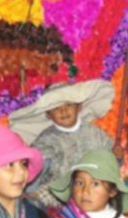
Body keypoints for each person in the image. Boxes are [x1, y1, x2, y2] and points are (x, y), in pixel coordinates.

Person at [9, 79, 115, 208]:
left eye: (69, 105)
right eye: (57, 108)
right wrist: (37, 195)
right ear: (48, 114)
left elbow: (109, 165)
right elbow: (34, 176)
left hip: (95, 202)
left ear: (79, 107)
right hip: (58, 208)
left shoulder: (96, 134)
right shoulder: (45, 141)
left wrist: (117, 157)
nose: (64, 111)